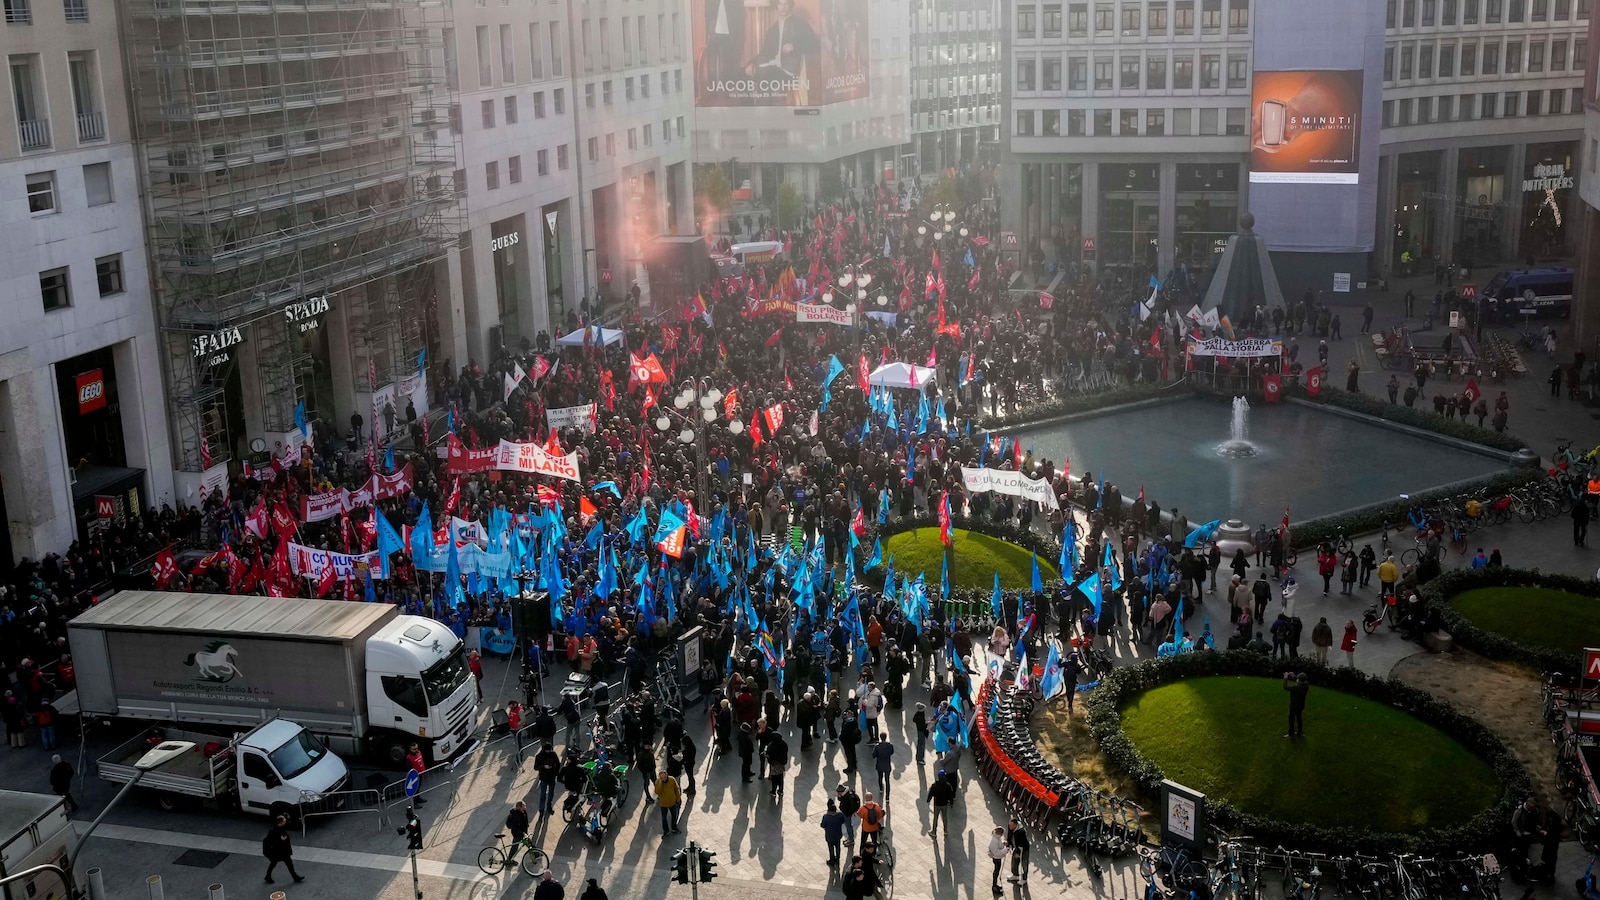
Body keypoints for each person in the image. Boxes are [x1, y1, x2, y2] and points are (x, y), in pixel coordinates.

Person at [263, 813, 305, 884]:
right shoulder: (273, 831)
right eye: (284, 821)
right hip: (278, 852)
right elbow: (271, 842)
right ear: (281, 823)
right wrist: (280, 840)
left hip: (284, 851)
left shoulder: (280, 828)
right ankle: (268, 876)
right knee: (274, 864)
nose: (285, 822)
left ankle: (295, 877)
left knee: (288, 864)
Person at [926, 768, 955, 838]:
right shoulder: (948, 785)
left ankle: (934, 832)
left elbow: (931, 794)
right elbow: (951, 795)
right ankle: (945, 831)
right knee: (945, 817)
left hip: (937, 804)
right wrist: (951, 803)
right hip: (945, 804)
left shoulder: (935, 785)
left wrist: (928, 800)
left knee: (935, 818)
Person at [821, 798, 848, 865]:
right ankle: (838, 858)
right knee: (838, 847)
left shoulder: (826, 816)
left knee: (831, 848)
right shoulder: (840, 815)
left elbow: (823, 825)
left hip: (829, 836)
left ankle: (832, 860)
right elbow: (843, 821)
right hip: (838, 834)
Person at [655, 770, 682, 835]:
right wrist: (661, 784)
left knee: (674, 816)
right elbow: (657, 792)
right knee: (664, 818)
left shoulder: (672, 779)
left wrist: (678, 799)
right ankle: (666, 831)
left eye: (664, 777)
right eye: (661, 778)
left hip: (672, 802)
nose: (663, 779)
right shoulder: (658, 782)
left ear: (666, 775)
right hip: (663, 803)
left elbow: (676, 789)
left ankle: (674, 828)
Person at [1006, 815, 1031, 884]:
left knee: (1024, 864)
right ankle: (1015, 875)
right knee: (1014, 862)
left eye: (1011, 825)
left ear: (1015, 825)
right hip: (1016, 847)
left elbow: (1021, 844)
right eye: (1009, 825)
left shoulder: (1021, 831)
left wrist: (1018, 853)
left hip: (1023, 849)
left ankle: (1024, 879)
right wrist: (1008, 845)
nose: (1010, 827)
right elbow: (1009, 836)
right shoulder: (1010, 827)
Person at [1283, 672, 1309, 737]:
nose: (1296, 680)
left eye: (1297, 679)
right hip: (1301, 705)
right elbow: (1301, 679)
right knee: (1299, 718)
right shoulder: (1306, 685)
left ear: (1299, 681)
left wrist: (1285, 678)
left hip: (1294, 706)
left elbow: (1285, 687)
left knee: (1291, 719)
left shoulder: (1296, 687)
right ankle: (1299, 733)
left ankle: (1290, 734)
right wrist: (1294, 676)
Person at [871, 735, 895, 801]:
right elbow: (892, 752)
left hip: (879, 765)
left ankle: (881, 788)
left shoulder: (877, 746)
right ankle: (887, 797)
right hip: (887, 765)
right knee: (887, 780)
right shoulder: (890, 746)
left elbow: (873, 755)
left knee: (880, 777)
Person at [987, 824, 1009, 894]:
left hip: (998, 858)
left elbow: (999, 845)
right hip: (997, 858)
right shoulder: (995, 840)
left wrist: (1003, 844)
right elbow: (996, 852)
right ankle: (994, 886)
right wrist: (1005, 850)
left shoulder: (997, 838)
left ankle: (995, 885)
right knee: (996, 872)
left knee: (996, 871)